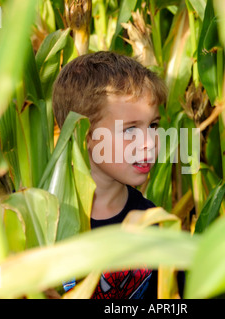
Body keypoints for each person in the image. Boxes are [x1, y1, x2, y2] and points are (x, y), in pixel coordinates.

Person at [52, 51, 167, 299]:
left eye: (153, 126)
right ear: (85, 135)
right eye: (130, 130)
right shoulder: (47, 225)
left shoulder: (154, 224)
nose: (149, 143)